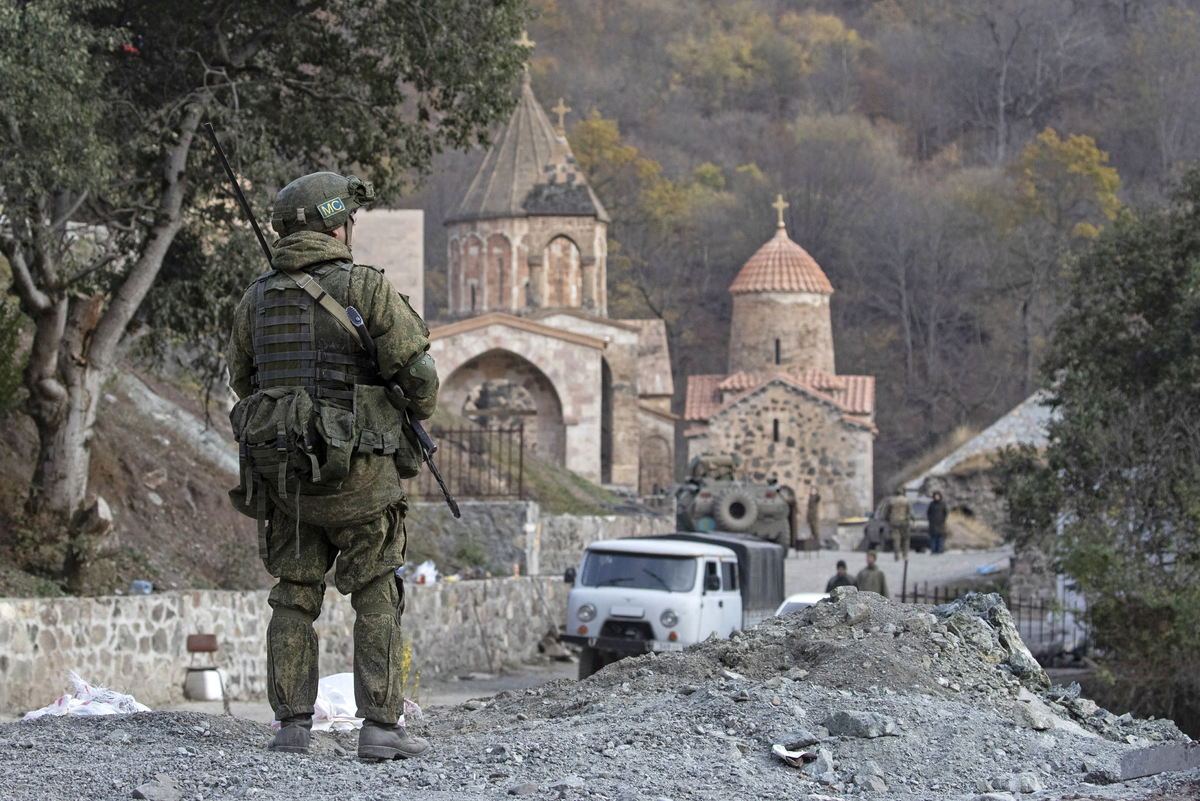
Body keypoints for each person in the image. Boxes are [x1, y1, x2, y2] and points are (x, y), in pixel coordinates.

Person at [225, 172, 439, 761]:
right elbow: (419, 379)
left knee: (293, 596)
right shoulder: (365, 288)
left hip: (286, 481)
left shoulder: (255, 298)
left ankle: (291, 726)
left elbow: (243, 382)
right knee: (375, 592)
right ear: (336, 226)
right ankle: (379, 728)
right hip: (362, 478)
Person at [882, 490, 914, 561]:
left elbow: (887, 512)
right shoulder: (906, 501)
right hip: (904, 523)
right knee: (905, 539)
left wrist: (888, 520)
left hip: (894, 523)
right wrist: (913, 520)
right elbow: (909, 512)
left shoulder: (892, 501)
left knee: (896, 540)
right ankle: (905, 555)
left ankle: (896, 555)